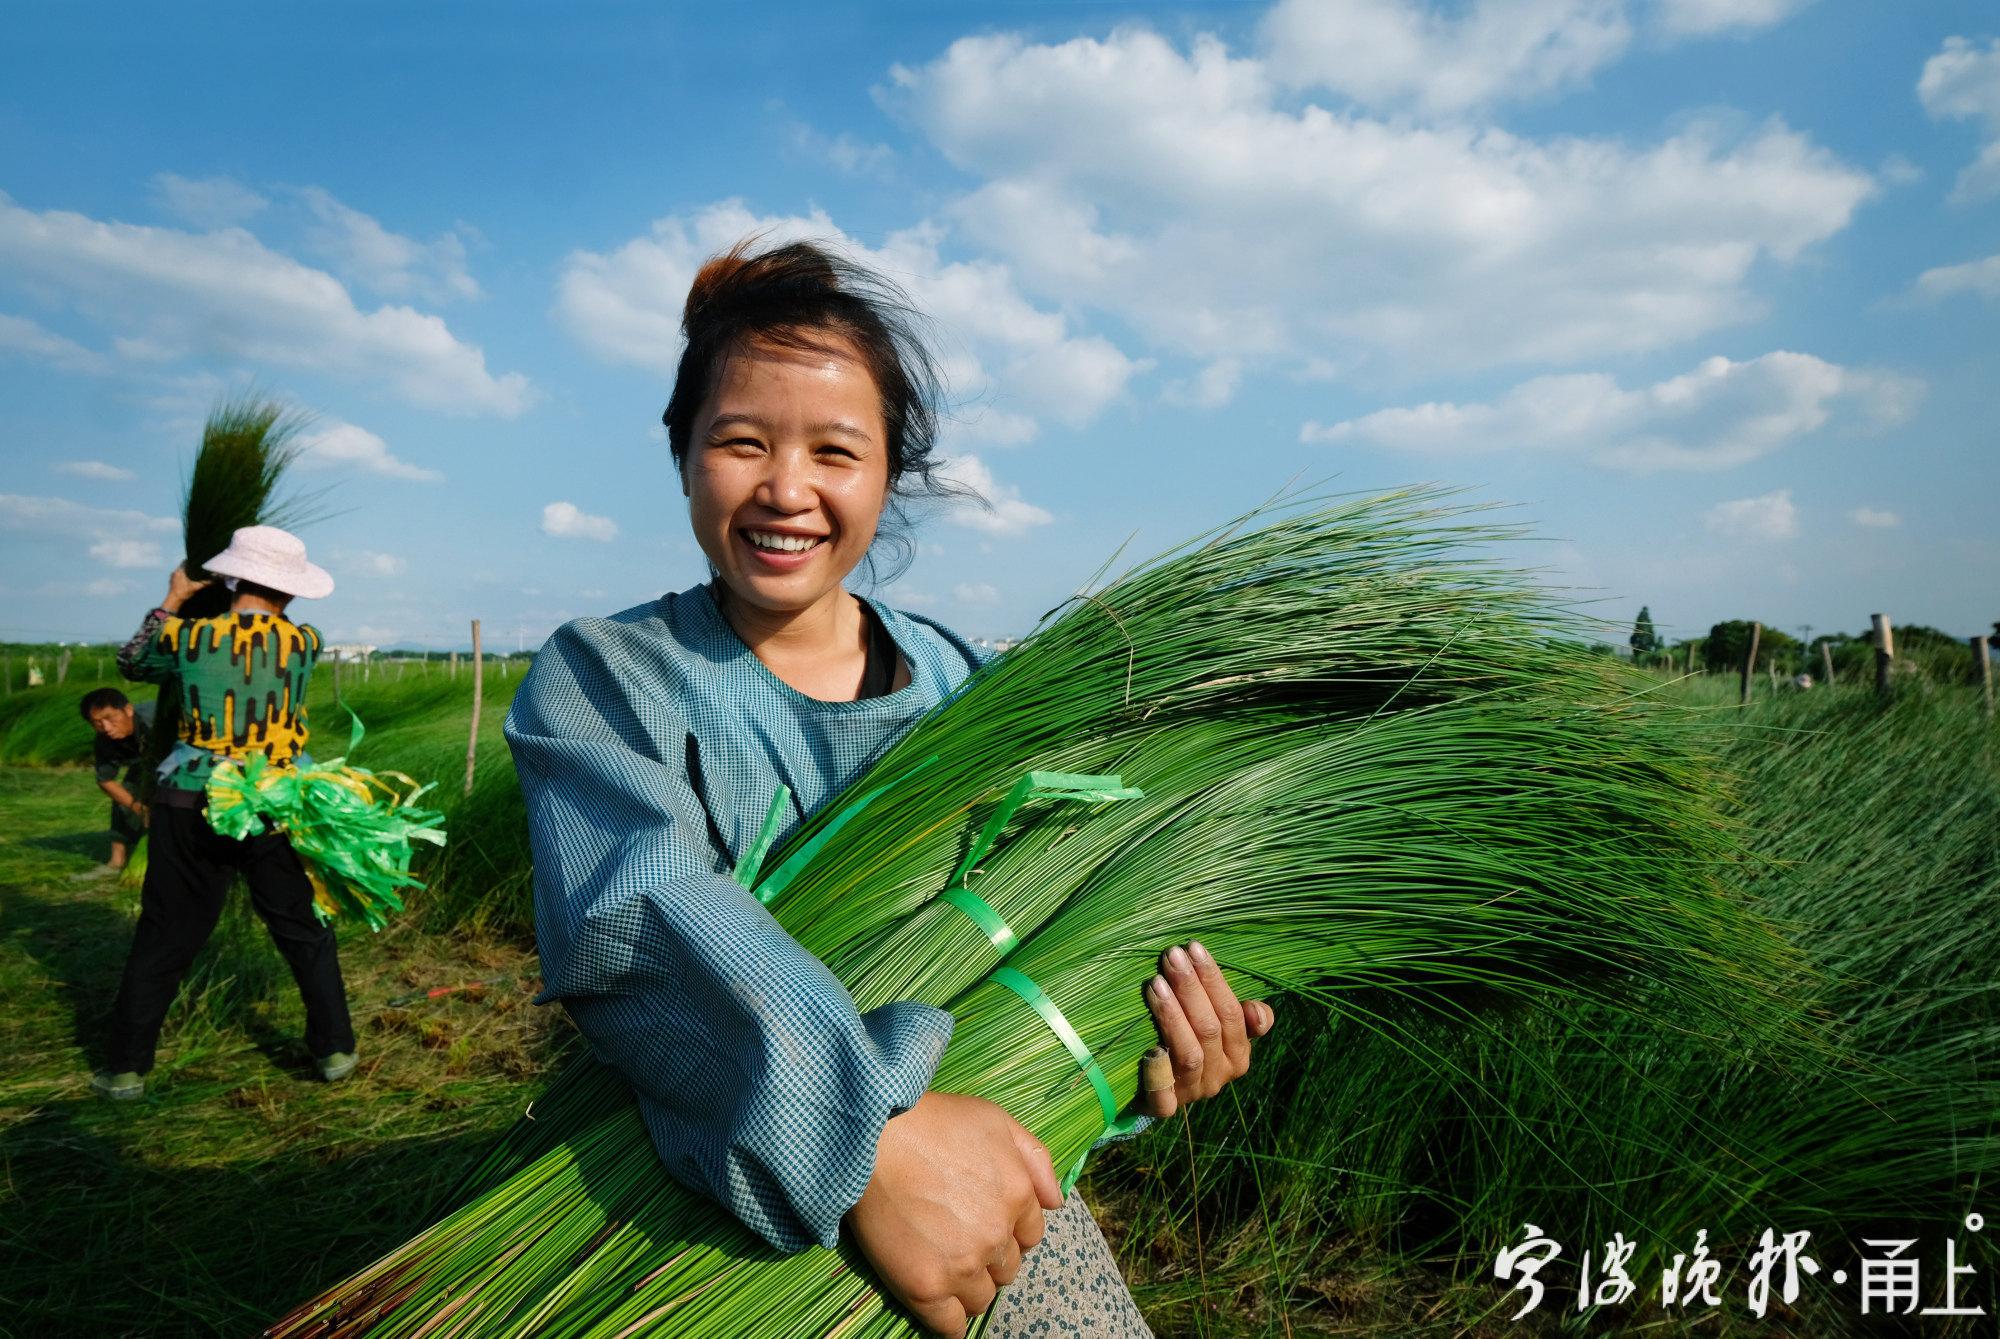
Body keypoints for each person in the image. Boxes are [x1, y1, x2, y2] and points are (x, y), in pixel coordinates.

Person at [506, 240, 1275, 1338]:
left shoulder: (972, 691)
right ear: (682, 454)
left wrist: (1125, 1054)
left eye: (835, 451)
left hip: (969, 1179)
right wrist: (866, 1138)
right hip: (690, 1170)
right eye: (740, 441)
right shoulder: (605, 678)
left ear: (887, 474)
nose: (786, 488)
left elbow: (1044, 943)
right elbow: (640, 911)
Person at [91, 527, 358, 1101]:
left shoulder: (189, 637)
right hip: (275, 806)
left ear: (234, 576)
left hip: (190, 802)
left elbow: (131, 663)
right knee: (303, 928)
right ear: (289, 591)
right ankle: (334, 1048)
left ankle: (126, 1068)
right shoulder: (306, 641)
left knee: (165, 933)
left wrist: (175, 598)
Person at [78, 686, 155, 876]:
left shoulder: (154, 720)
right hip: (143, 764)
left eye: (110, 718)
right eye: (97, 723)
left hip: (178, 758)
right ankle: (116, 861)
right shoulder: (104, 740)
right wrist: (138, 808)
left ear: (128, 710)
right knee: (126, 794)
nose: (106, 727)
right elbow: (106, 780)